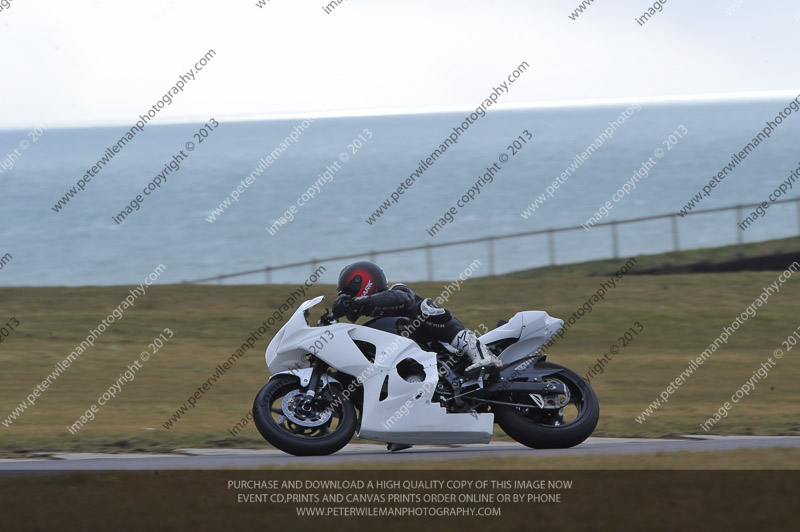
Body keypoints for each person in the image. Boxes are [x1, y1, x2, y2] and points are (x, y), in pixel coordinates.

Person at [331, 261, 501, 372]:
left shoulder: (398, 293)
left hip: (449, 352)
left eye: (350, 294)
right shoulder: (377, 324)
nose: (351, 299)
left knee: (424, 307)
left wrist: (359, 302)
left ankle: (479, 351)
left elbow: (401, 299)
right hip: (425, 362)